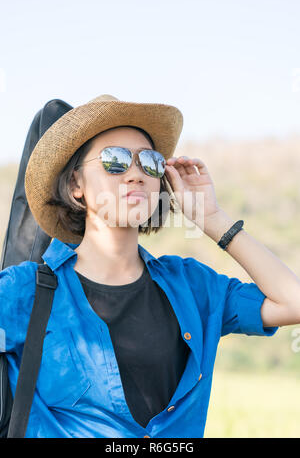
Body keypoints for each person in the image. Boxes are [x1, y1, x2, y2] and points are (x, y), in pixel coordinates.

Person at [1, 94, 300, 438]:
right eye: (114, 160)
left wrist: (212, 218)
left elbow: (292, 302)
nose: (136, 174)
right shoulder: (22, 291)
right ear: (75, 185)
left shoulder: (192, 286)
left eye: (151, 162)